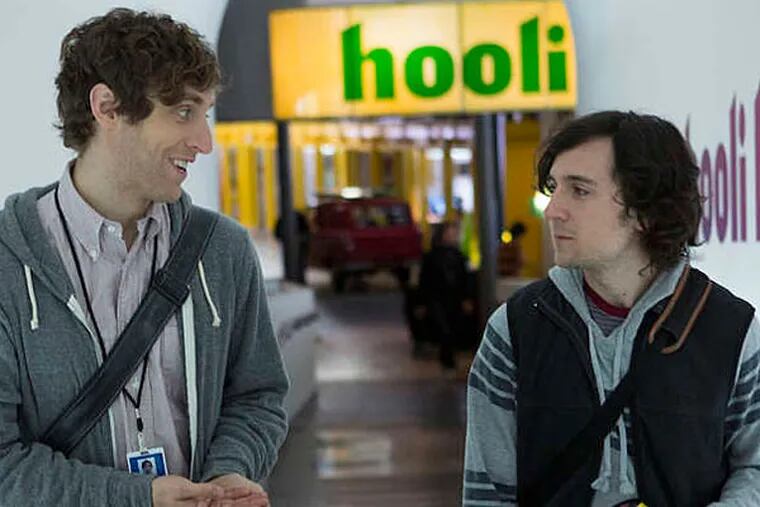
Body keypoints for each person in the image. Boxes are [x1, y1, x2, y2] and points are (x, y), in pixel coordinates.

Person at [0, 9, 288, 507]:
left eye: (206, 113)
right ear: (107, 107)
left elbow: (256, 397)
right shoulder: (9, 262)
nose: (204, 142)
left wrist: (229, 471)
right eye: (183, 112)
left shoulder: (223, 251)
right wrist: (136, 497)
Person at [463, 111, 760, 505]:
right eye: (554, 188)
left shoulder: (730, 328)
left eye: (579, 190)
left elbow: (754, 466)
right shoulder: (516, 327)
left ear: (645, 211)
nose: (552, 210)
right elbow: (487, 490)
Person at [418, 221, 473, 372]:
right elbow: (424, 280)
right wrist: (421, 302)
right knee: (444, 329)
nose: (452, 236)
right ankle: (447, 361)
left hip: (454, 300)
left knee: (453, 329)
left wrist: (466, 298)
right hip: (437, 299)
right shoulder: (431, 256)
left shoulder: (460, 256)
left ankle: (449, 359)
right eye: (450, 233)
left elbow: (465, 279)